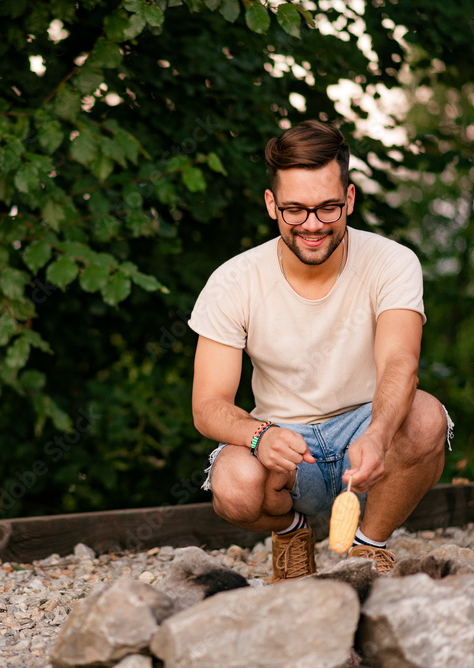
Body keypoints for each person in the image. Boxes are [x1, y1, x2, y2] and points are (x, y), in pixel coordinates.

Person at [188, 120, 453, 582]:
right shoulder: (232, 280)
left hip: (366, 438)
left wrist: (378, 433)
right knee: (233, 484)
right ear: (272, 204)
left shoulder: (392, 261)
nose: (312, 225)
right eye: (295, 210)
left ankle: (368, 548)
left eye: (328, 208)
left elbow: (399, 362)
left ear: (349, 198)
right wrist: (258, 435)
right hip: (285, 449)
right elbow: (207, 405)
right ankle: (293, 533)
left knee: (427, 416)